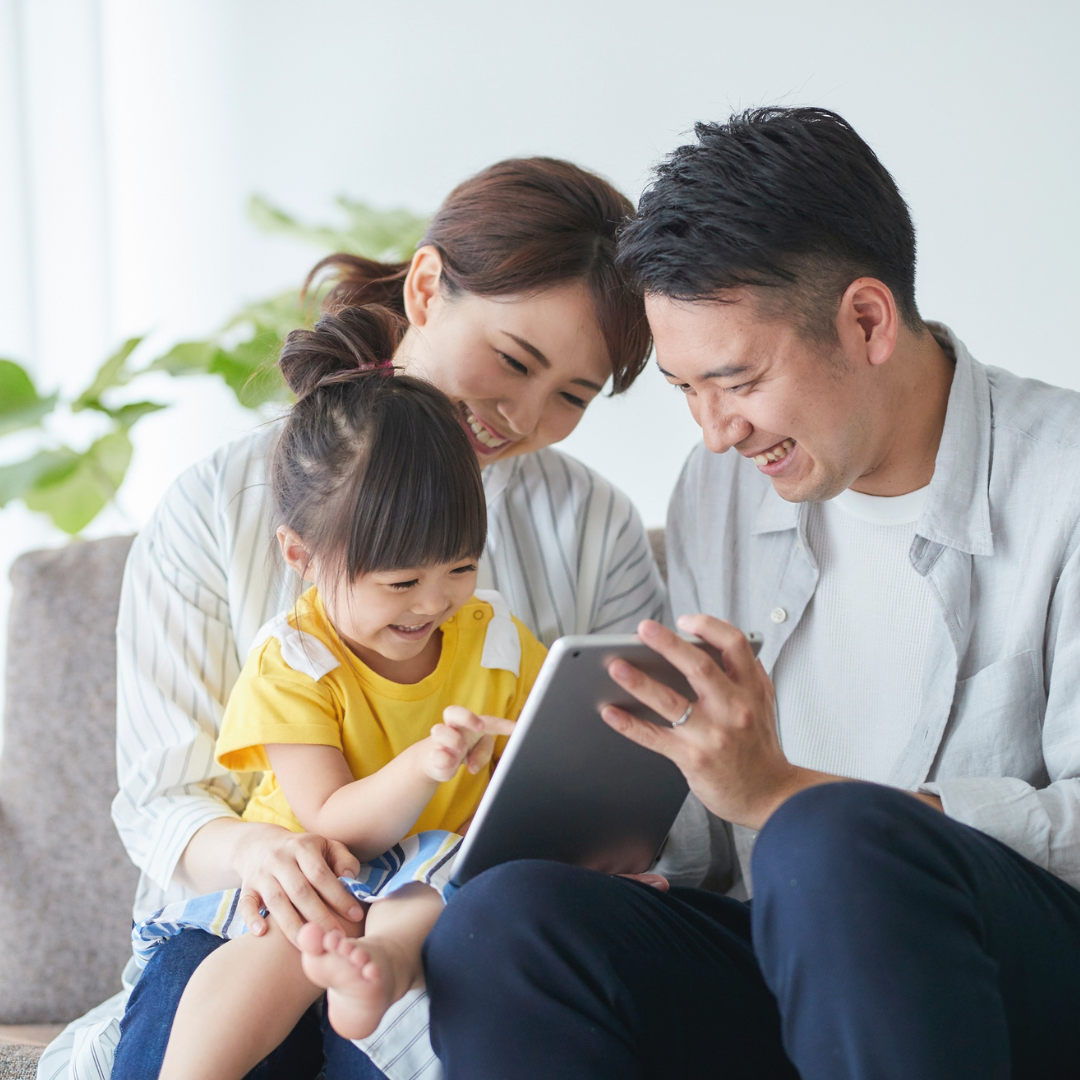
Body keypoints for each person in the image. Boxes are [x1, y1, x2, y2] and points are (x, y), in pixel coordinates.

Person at [415, 109, 1080, 1078]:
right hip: (792, 957)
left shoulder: (1062, 483)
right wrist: (612, 820)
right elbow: (714, 831)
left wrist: (789, 796)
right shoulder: (721, 487)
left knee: (832, 840)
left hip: (1007, 976)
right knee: (509, 918)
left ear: (866, 320)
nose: (717, 431)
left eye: (736, 380)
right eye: (685, 388)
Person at [39, 158, 684, 1080]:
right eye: (513, 360)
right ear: (426, 288)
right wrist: (267, 852)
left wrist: (602, 851)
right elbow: (159, 800)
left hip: (453, 919)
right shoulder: (218, 502)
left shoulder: (592, 523)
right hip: (250, 910)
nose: (524, 416)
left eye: (574, 396)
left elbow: (630, 758)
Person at [136, 308, 547, 1080]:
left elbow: (531, 779)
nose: (433, 604)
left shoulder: (494, 642)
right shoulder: (296, 660)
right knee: (282, 945)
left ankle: (376, 972)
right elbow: (334, 824)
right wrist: (428, 764)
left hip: (432, 878)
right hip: (313, 871)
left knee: (431, 899)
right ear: (300, 554)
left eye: (459, 568)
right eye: (400, 582)